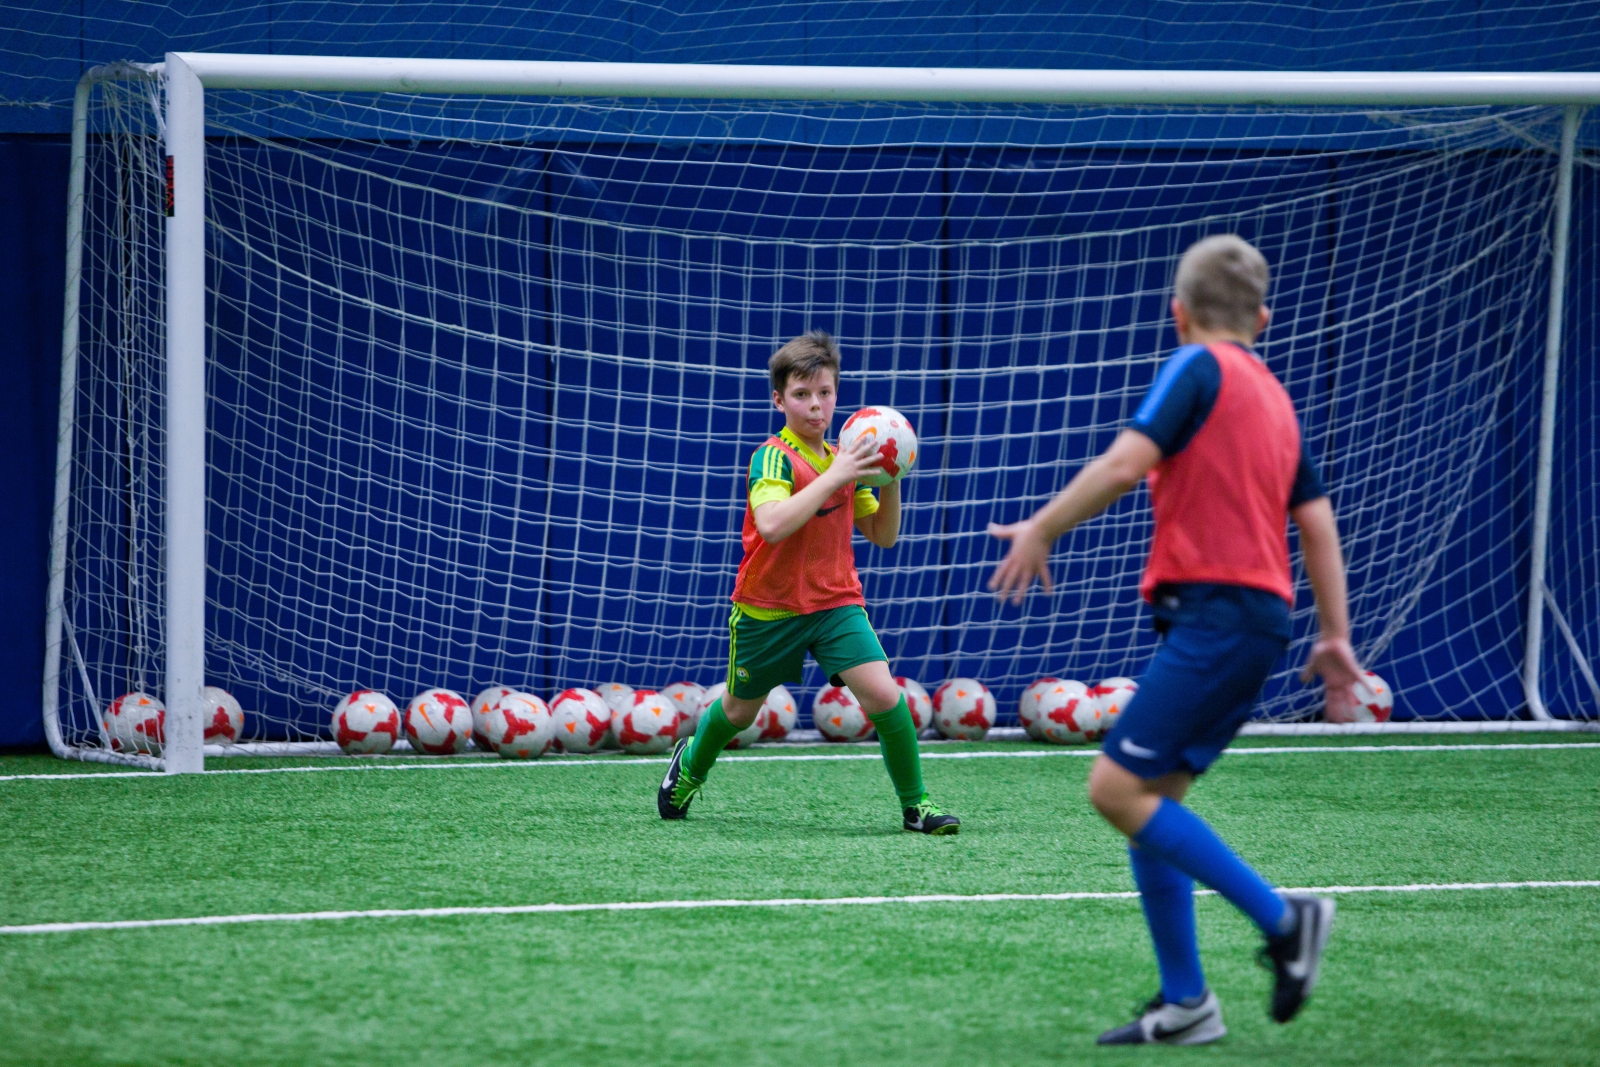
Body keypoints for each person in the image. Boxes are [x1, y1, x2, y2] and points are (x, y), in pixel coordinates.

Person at [988, 235, 1361, 1045]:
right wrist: (1334, 634)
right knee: (1151, 800)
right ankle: (1188, 1002)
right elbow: (1319, 525)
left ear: (1178, 313)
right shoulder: (1274, 393)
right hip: (1255, 620)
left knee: (1113, 790)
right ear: (1263, 317)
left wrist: (1040, 529)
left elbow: (1127, 463)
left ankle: (1284, 917)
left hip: (1220, 615)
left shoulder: (1197, 367)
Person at [659, 330, 960, 835]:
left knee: (887, 698)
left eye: (825, 393)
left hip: (835, 604)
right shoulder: (773, 457)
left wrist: (891, 477)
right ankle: (689, 764)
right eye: (801, 395)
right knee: (738, 712)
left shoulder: (847, 460)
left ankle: (917, 806)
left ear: (837, 395)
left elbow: (883, 537)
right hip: (767, 608)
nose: (815, 406)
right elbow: (773, 524)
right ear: (780, 400)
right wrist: (838, 474)